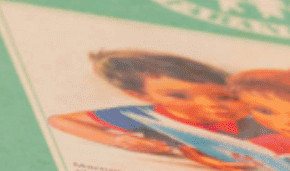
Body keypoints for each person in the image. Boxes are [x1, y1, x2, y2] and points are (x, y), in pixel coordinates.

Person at [47, 50, 270, 155]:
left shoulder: (255, 120)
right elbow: (59, 121)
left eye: (225, 97)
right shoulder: (146, 117)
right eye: (179, 96)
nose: (212, 106)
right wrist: (117, 140)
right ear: (141, 96)